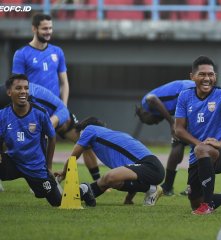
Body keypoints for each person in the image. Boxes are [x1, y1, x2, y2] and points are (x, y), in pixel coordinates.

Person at [0, 74, 94, 207]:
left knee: (59, 203)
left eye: (26, 88)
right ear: (9, 92)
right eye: (18, 88)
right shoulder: (3, 115)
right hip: (13, 162)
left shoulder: (40, 113)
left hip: (36, 168)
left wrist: (48, 166)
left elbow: (52, 136)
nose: (23, 91)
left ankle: (83, 189)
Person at [174, 55, 221, 215]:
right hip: (198, 153)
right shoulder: (184, 96)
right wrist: (198, 143)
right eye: (202, 74)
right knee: (195, 202)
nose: (207, 78)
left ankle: (208, 205)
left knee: (202, 151)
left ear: (215, 76)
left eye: (211, 74)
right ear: (192, 76)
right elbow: (179, 129)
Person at [55, 117, 165, 207]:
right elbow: (132, 171)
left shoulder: (89, 129)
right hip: (150, 167)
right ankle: (79, 194)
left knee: (109, 177)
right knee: (112, 181)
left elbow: (74, 156)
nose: (80, 138)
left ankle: (84, 189)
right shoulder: (111, 138)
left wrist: (64, 172)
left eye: (80, 134)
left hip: (151, 166)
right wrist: (128, 199)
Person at [135, 79, 195, 196]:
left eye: (151, 123)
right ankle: (190, 187)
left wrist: (171, 123)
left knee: (178, 142)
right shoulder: (170, 106)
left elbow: (152, 98)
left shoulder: (146, 103)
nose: (156, 123)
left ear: (145, 114)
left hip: (186, 91)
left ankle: (168, 186)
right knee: (186, 142)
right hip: (192, 92)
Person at [12, 13, 69, 106]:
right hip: (33, 110)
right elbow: (18, 87)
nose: (49, 32)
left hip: (54, 110)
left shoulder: (58, 52)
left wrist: (64, 107)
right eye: (45, 29)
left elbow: (64, 83)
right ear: (34, 29)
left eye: (50, 28)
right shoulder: (21, 54)